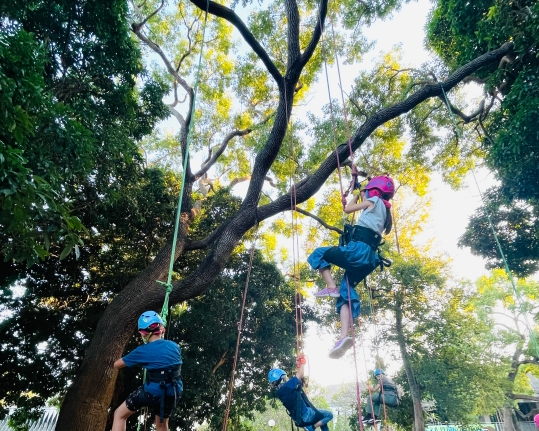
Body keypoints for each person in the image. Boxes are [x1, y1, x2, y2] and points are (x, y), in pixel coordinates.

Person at [307, 175, 395, 358]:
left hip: (359, 251)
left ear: (374, 191)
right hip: (369, 259)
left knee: (319, 253)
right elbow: (365, 205)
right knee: (346, 290)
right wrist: (360, 191)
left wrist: (355, 195)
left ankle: (331, 287)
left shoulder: (374, 200)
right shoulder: (384, 212)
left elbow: (348, 209)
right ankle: (343, 336)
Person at [112, 311, 183, 431]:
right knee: (161, 425)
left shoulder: (142, 351)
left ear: (142, 333)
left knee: (119, 415)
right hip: (173, 391)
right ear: (161, 329)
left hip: (153, 393)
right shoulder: (174, 346)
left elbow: (116, 365)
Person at [268, 354, 333, 431]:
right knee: (329, 415)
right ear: (280, 378)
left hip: (299, 419)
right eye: (284, 378)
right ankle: (312, 427)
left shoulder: (280, 393)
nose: (286, 379)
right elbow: (300, 375)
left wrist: (299, 366)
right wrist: (302, 363)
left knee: (321, 417)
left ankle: (313, 427)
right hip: (307, 414)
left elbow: (298, 378)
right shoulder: (287, 386)